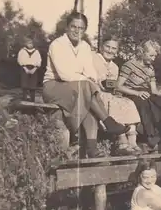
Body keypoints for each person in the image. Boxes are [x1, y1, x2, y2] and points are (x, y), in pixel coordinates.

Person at [42, 11, 129, 159]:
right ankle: (108, 122)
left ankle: (92, 149)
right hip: (54, 86)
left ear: (84, 30)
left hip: (78, 87)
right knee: (86, 87)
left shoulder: (85, 47)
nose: (77, 31)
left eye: (81, 28)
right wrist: (87, 80)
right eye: (73, 27)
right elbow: (65, 74)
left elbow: (91, 72)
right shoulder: (57, 45)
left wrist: (90, 80)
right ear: (67, 27)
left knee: (88, 96)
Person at [92, 38, 142, 155]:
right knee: (111, 102)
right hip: (95, 92)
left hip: (109, 93)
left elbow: (113, 84)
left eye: (114, 48)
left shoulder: (114, 66)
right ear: (101, 47)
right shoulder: (94, 59)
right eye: (107, 47)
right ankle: (122, 140)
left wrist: (115, 89)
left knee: (128, 102)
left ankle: (132, 141)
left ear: (117, 51)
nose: (110, 50)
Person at [17, 37, 42, 101]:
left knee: (32, 86)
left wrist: (34, 69)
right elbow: (20, 60)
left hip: (34, 69)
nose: (30, 45)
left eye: (31, 43)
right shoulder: (22, 51)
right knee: (24, 85)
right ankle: (24, 99)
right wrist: (25, 68)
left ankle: (32, 99)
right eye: (28, 43)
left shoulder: (36, 51)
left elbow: (39, 60)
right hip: (25, 68)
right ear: (25, 44)